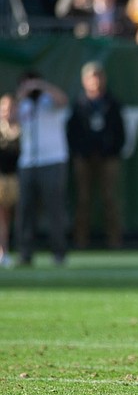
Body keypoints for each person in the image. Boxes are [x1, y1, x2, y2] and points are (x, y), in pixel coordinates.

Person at [66, 62, 126, 249]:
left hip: (108, 158)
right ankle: (80, 241)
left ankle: (115, 241)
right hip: (84, 158)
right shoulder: (79, 104)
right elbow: (72, 132)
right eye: (92, 77)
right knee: (83, 200)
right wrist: (80, 151)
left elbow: (120, 132)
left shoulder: (112, 102)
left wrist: (111, 150)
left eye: (98, 76)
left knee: (110, 199)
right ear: (84, 80)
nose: (95, 81)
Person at [14, 71, 70, 266]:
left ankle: (58, 252)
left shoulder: (49, 101)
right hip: (29, 162)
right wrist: (22, 95)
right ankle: (25, 253)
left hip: (53, 160)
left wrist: (42, 86)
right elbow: (11, 118)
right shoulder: (24, 105)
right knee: (25, 210)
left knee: (54, 209)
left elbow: (63, 100)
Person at [0, 94, 21, 267]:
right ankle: (3, 251)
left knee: (11, 217)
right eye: (5, 108)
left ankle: (20, 251)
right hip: (1, 179)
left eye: (11, 108)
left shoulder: (24, 128)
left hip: (17, 179)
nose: (8, 112)